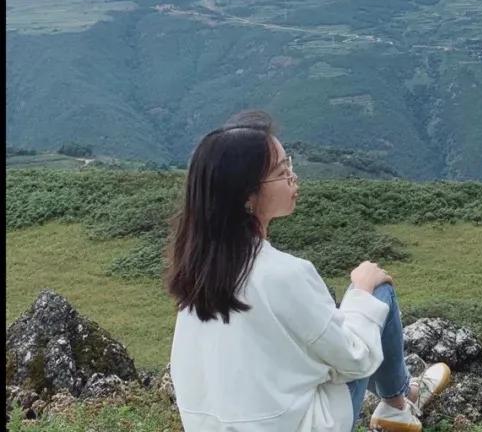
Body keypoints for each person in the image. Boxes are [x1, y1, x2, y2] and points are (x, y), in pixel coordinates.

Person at [165, 114, 452, 432]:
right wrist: (361, 293)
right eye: (281, 172)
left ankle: (401, 397)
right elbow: (356, 360)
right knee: (377, 291)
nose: (293, 177)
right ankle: (399, 402)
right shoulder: (285, 273)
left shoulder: (197, 273)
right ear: (247, 195)